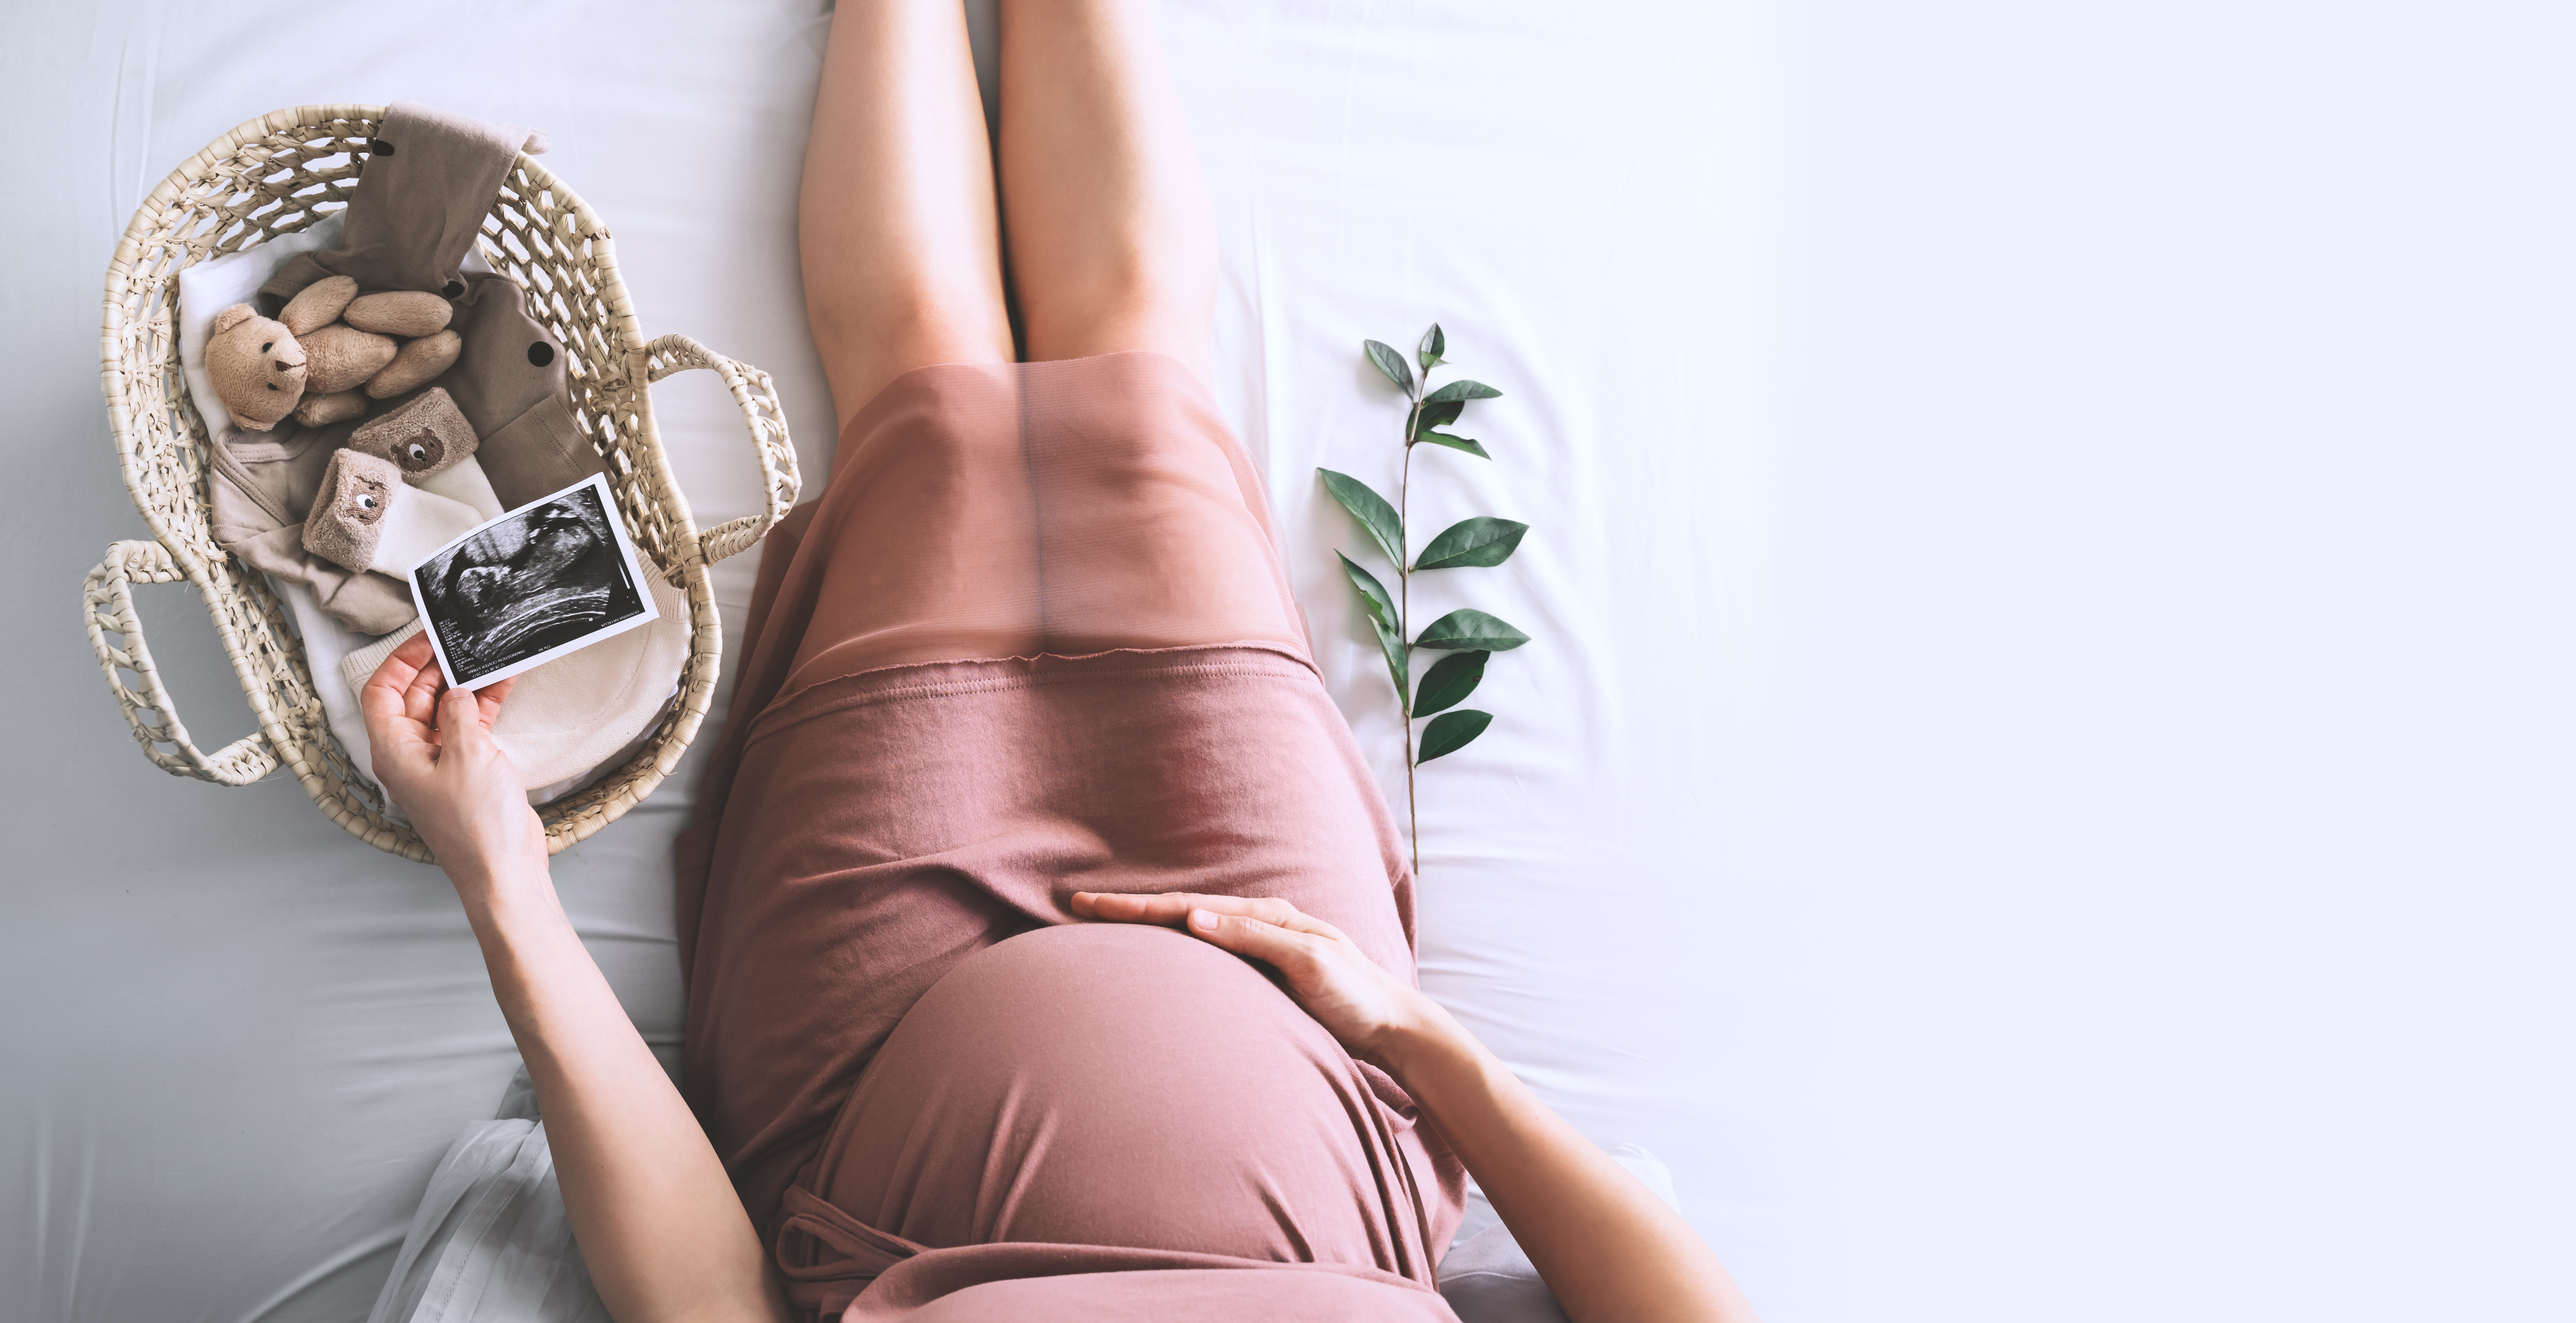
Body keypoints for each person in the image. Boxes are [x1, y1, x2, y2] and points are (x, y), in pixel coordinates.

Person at [361, 3, 1760, 1320]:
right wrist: (1412, 1036)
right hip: (1298, 1000)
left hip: (877, 1052)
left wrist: (505, 883)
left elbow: (711, 1303)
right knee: (1140, 377)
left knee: (923, 390)